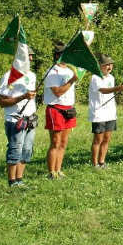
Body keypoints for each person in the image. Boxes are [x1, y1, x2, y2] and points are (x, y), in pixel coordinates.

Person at [0, 49, 37, 187]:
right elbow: (2, 102)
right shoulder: (9, 76)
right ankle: (11, 181)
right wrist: (22, 97)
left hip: (30, 119)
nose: (31, 59)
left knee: (26, 150)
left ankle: (19, 179)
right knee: (15, 150)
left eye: (31, 56)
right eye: (28, 56)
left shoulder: (32, 75)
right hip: (15, 120)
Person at [44, 42, 78, 179]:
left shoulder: (70, 71)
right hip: (55, 108)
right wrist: (72, 80)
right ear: (58, 55)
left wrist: (74, 77)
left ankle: (59, 170)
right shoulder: (51, 72)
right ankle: (51, 172)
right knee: (55, 142)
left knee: (64, 142)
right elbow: (57, 92)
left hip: (68, 109)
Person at [88, 53, 123, 168]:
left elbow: (111, 91)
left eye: (111, 64)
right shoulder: (95, 77)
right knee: (98, 138)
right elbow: (103, 90)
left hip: (110, 112)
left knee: (107, 138)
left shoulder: (111, 78)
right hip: (98, 113)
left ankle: (102, 161)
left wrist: (119, 89)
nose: (109, 67)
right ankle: (94, 163)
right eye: (106, 64)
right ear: (100, 65)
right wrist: (118, 88)